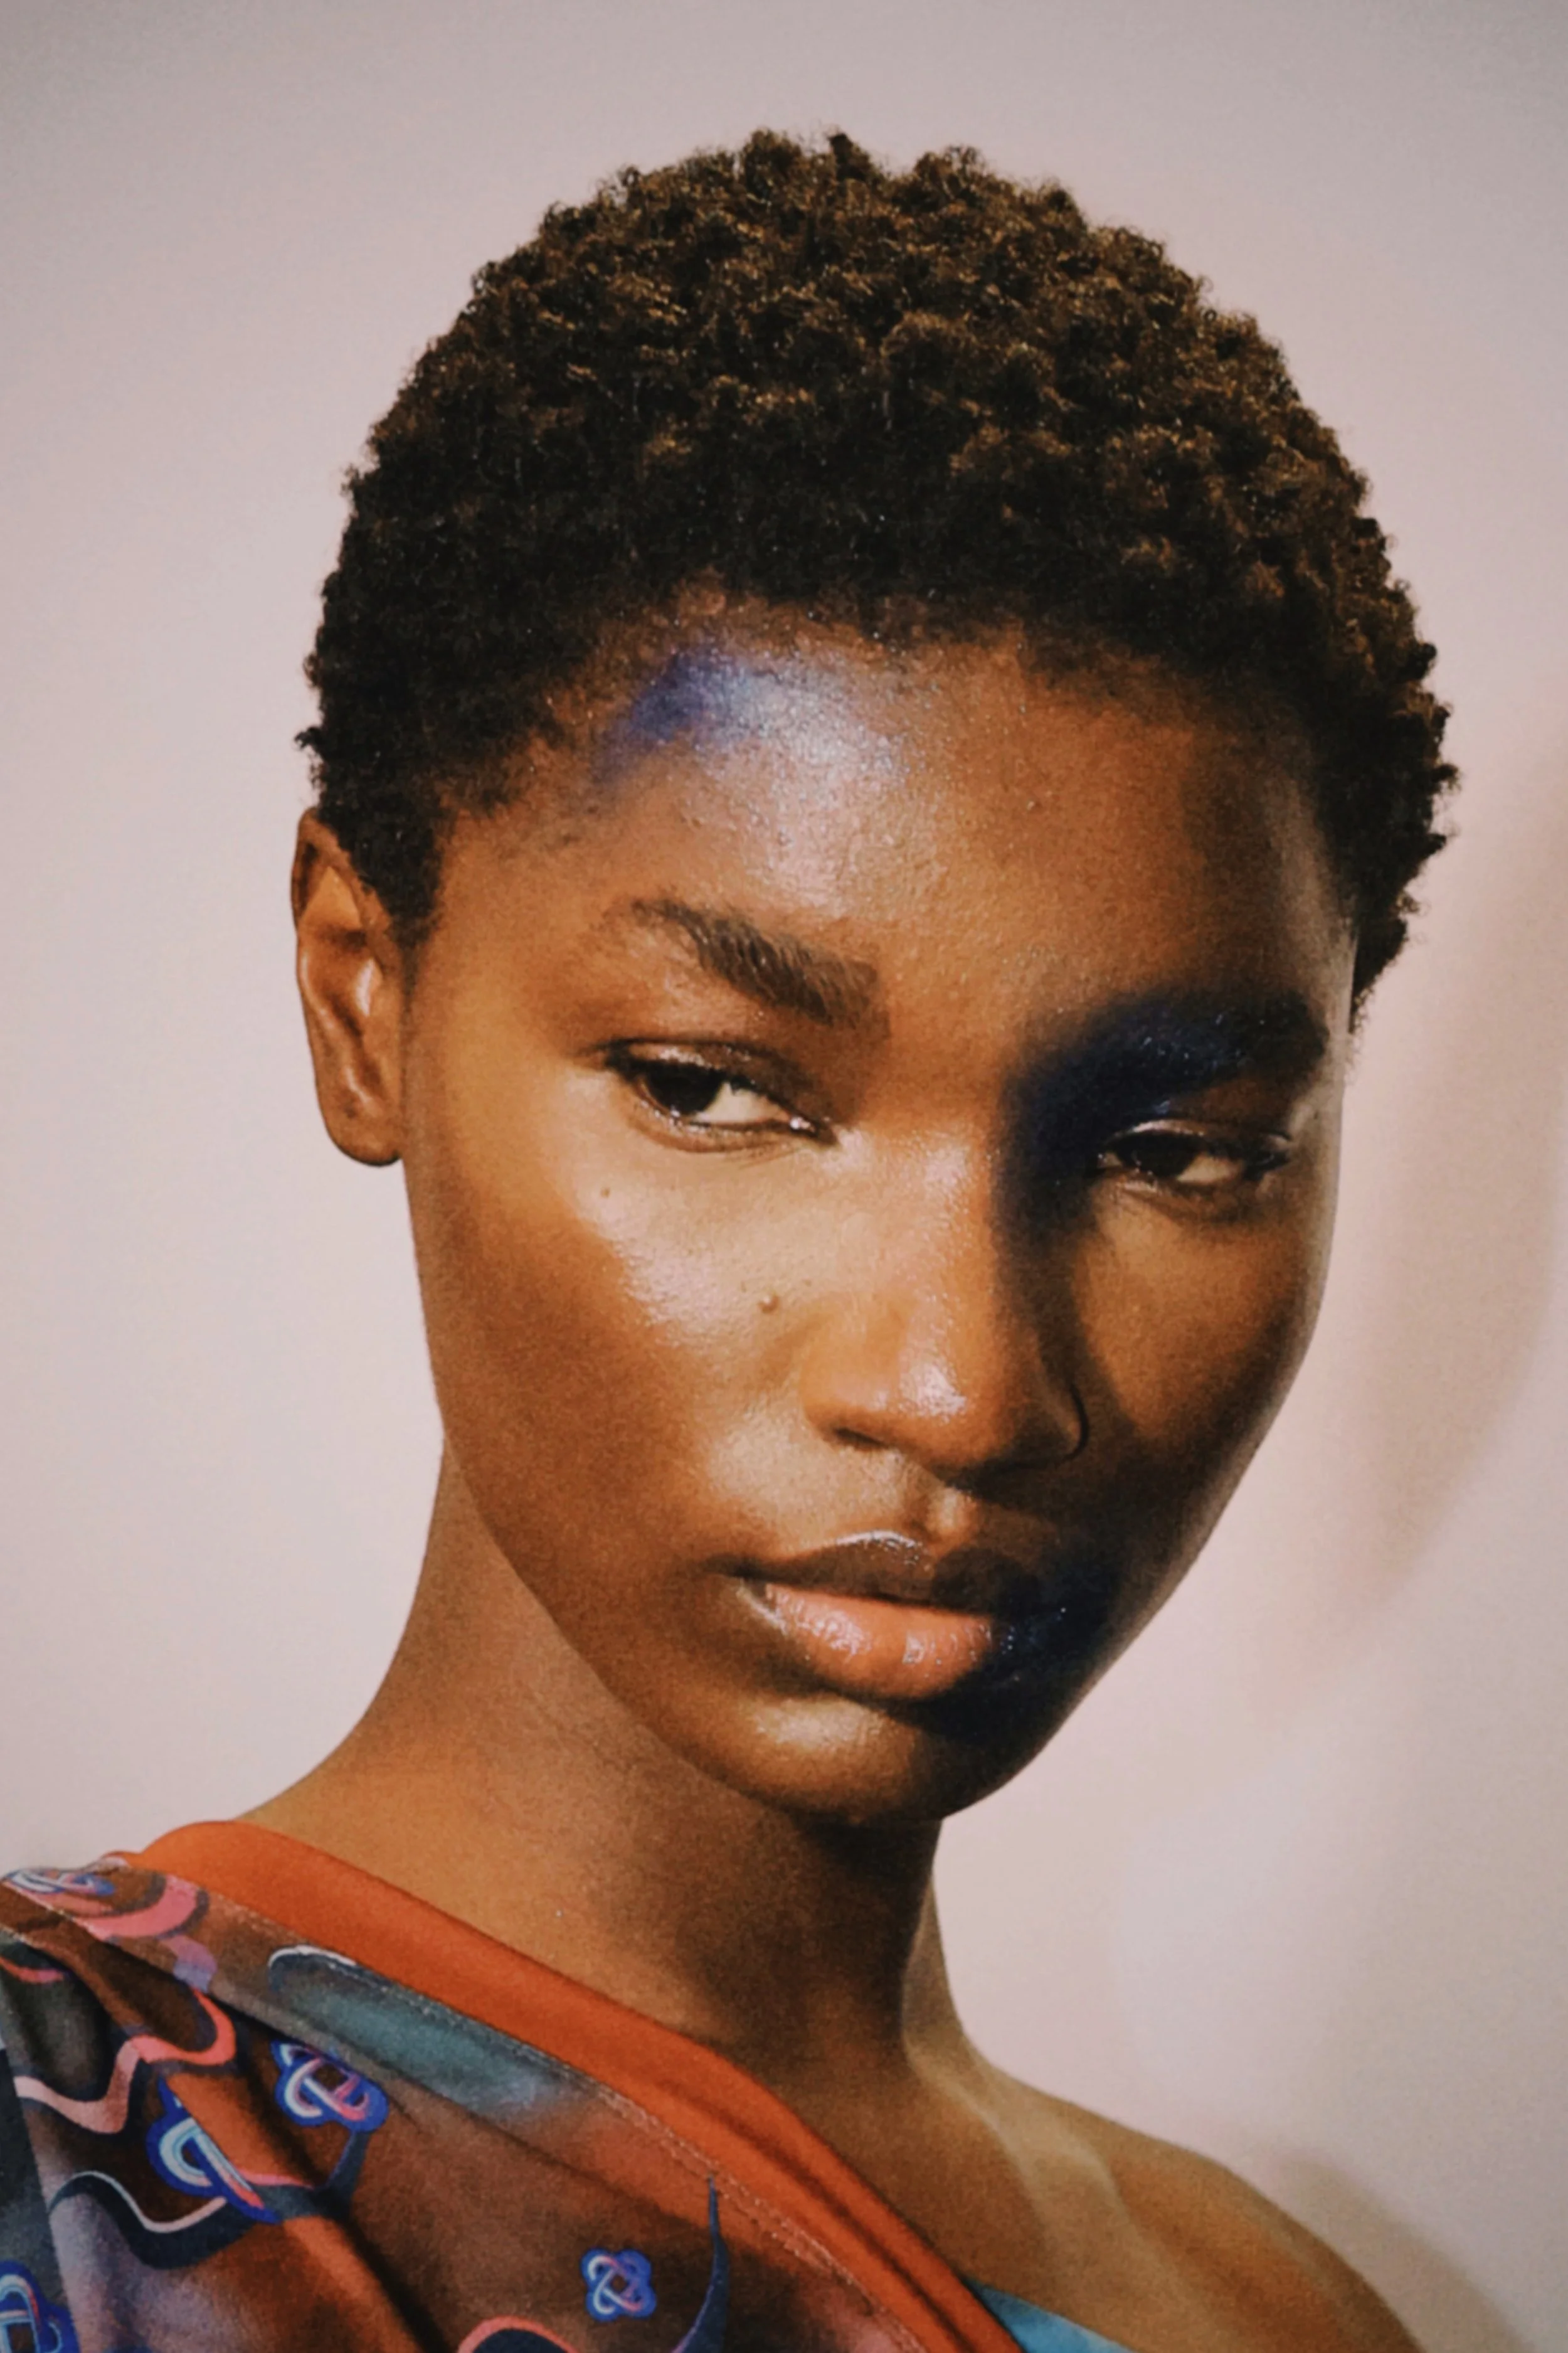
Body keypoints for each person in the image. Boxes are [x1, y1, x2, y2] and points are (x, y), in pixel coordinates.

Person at [0, 132, 1451, 2353]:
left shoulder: (1283, 2314)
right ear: (361, 996)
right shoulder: (53, 2145)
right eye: (711, 1087)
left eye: (1173, 1148)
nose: (961, 1386)